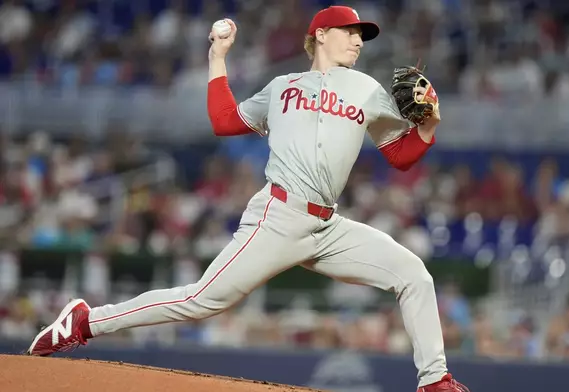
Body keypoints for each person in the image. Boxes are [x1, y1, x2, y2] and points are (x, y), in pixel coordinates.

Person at [27, 6, 469, 392]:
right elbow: (224, 121)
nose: (358, 40)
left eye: (362, 35)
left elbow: (401, 155)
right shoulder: (281, 87)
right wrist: (218, 58)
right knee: (200, 300)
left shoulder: (367, 90)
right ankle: (85, 322)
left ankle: (434, 381)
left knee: (414, 275)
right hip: (277, 216)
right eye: (351, 31)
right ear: (320, 35)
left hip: (328, 227)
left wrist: (428, 127)